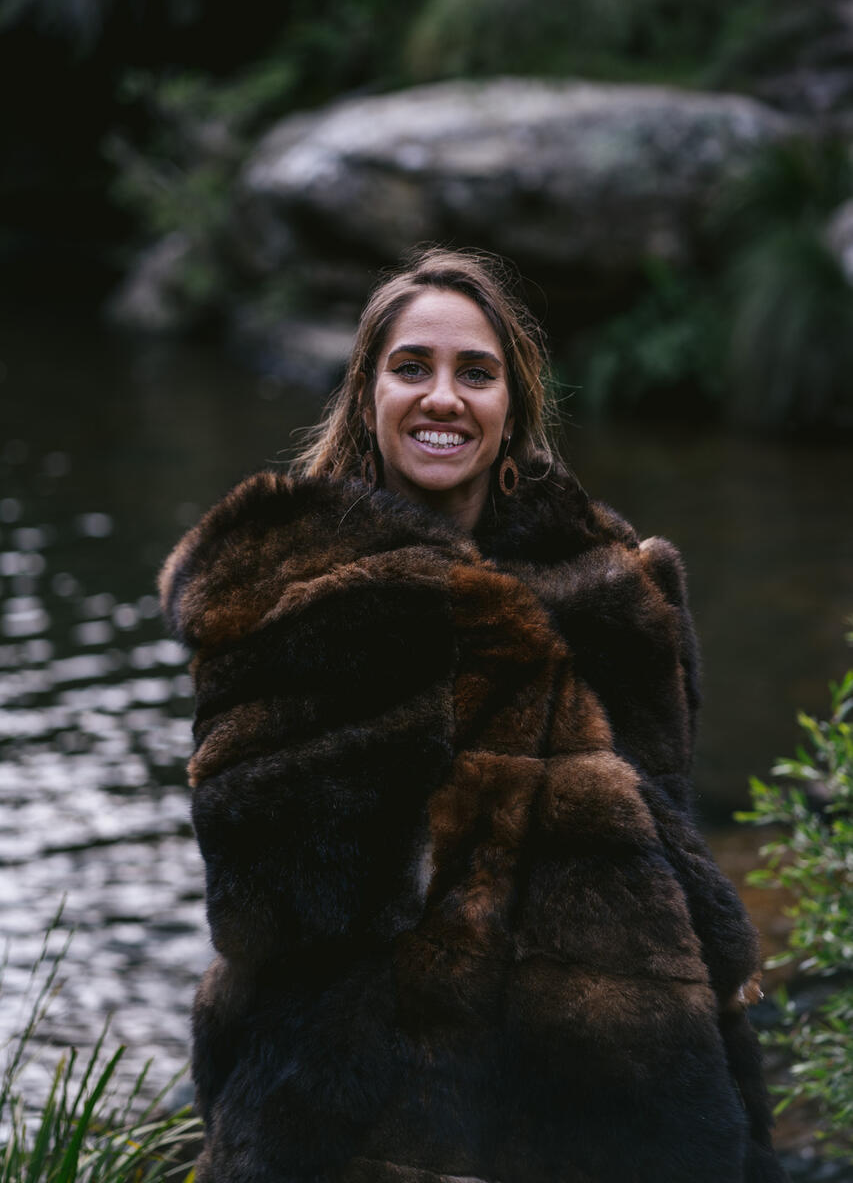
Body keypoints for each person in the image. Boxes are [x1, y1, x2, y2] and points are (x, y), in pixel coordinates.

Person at [160, 247, 787, 1183]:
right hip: (364, 1114)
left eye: (476, 374)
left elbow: (662, 836)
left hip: (608, 1101)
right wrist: (409, 615)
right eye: (411, 367)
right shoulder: (279, 594)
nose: (443, 397)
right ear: (366, 395)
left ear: (513, 406)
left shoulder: (615, 592)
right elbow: (270, 906)